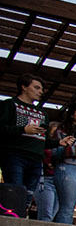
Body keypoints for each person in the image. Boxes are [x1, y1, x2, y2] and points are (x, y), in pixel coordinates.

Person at [0, 73, 49, 213]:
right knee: (14, 191)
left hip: (36, 158)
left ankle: (20, 217)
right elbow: (2, 128)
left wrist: (59, 142)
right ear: (24, 87)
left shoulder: (42, 113)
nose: (41, 91)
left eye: (41, 89)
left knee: (28, 195)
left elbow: (43, 139)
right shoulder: (9, 105)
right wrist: (23, 129)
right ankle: (11, 221)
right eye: (37, 87)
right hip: (14, 155)